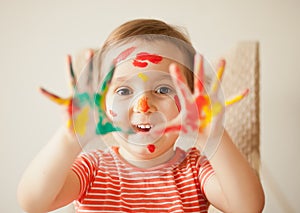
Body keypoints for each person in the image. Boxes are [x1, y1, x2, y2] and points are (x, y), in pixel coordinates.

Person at [17, 19, 264, 213]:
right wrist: (69, 139)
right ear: (101, 104)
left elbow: (248, 207)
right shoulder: (93, 167)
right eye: (124, 90)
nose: (143, 106)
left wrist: (211, 136)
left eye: (164, 89)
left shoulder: (194, 169)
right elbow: (33, 203)